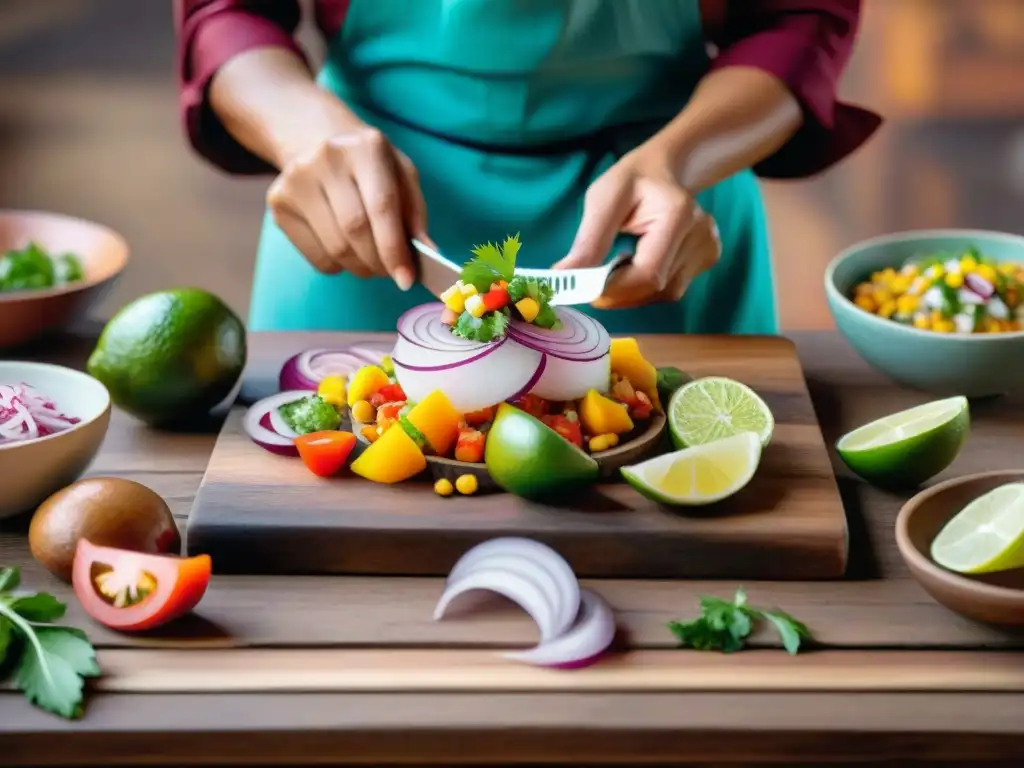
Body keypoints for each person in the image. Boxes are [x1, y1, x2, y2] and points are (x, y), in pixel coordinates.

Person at [174, 0, 880, 335]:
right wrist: (304, 131)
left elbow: (799, 20)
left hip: (662, 228)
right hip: (362, 212)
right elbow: (228, 10)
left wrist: (683, 158)